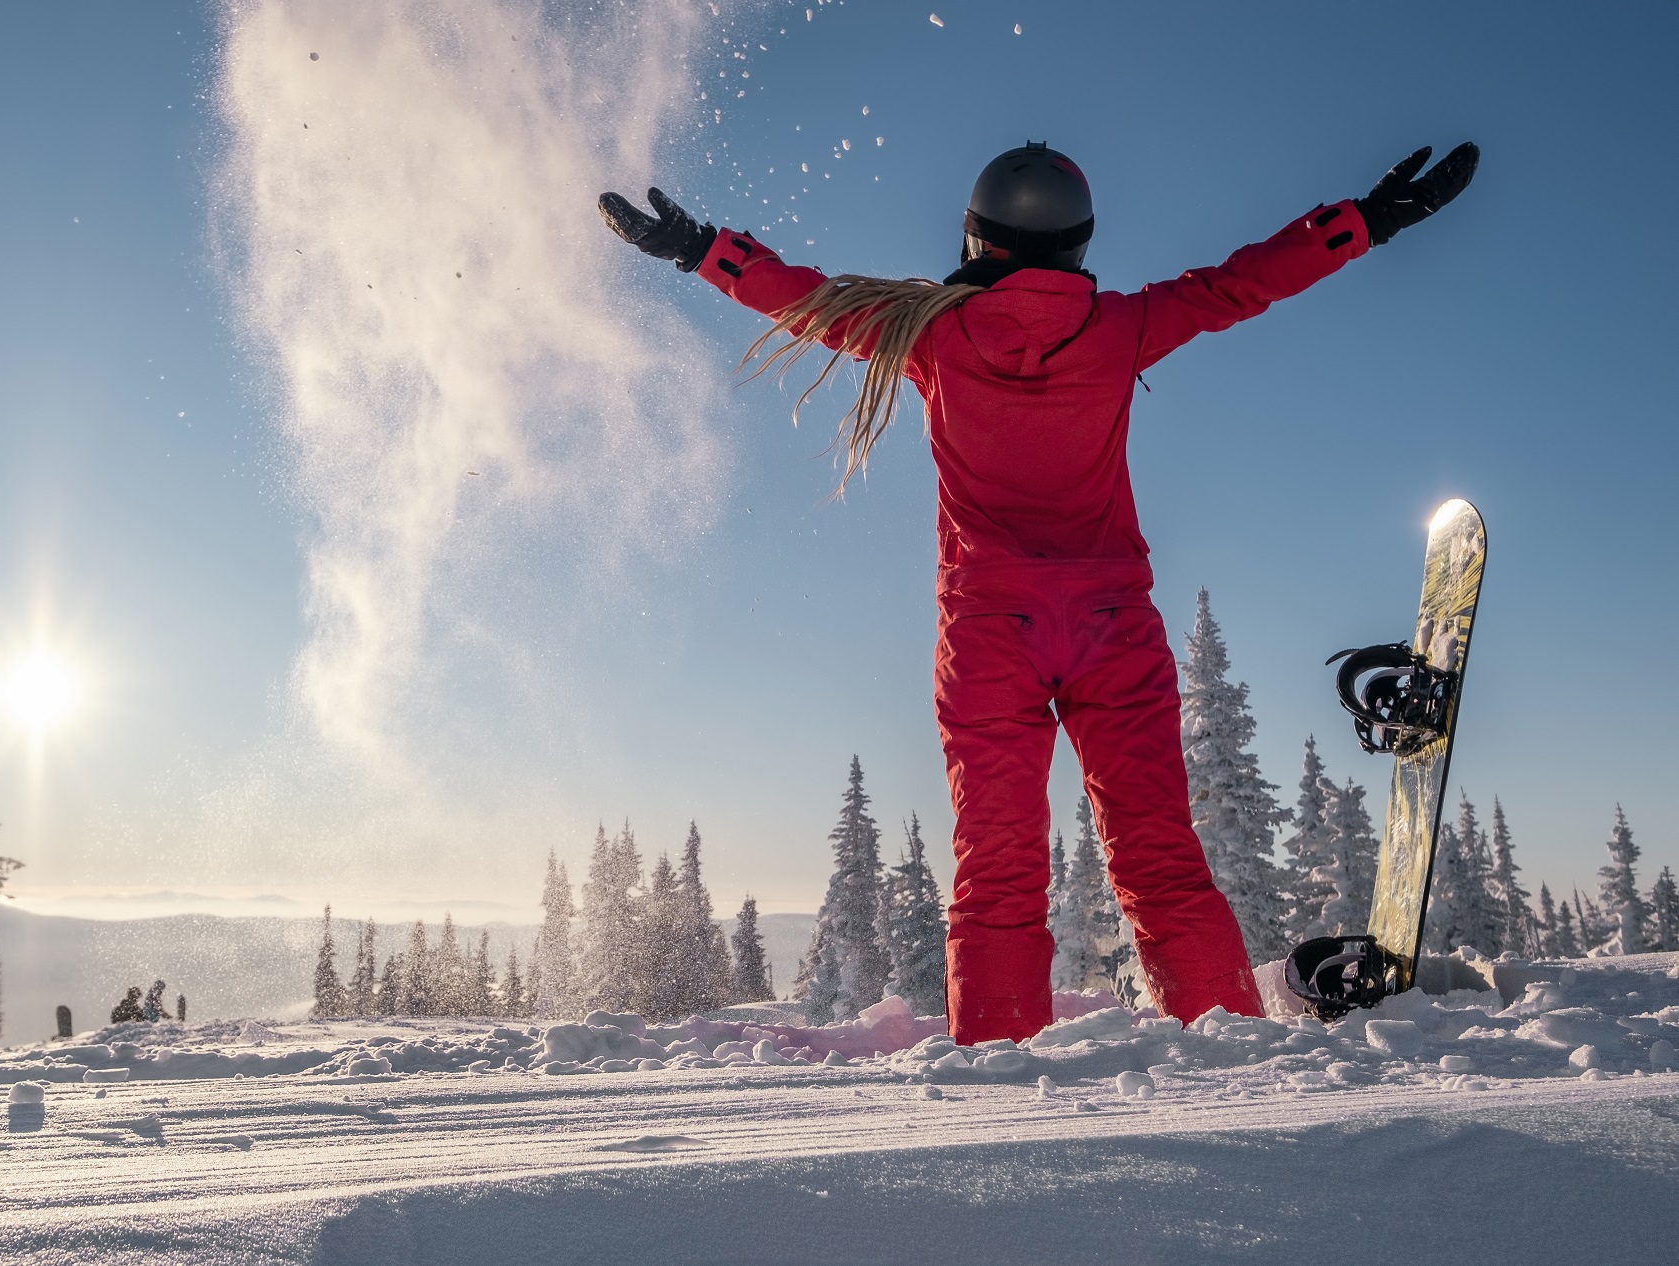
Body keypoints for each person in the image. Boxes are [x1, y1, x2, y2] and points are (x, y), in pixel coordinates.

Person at [599, 139, 1478, 1044]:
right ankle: (1230, 1056)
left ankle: (999, 1081)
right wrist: (1366, 220)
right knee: (1162, 862)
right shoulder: (1122, 325)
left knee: (999, 876)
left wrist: (699, 247)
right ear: (1079, 246)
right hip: (1112, 629)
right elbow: (1239, 284)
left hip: (989, 635)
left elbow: (809, 301)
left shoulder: (928, 332)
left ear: (977, 238)